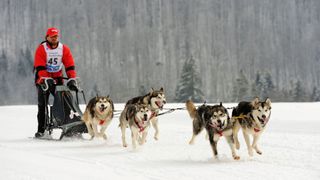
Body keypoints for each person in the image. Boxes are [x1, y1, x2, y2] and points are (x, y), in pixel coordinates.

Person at [33, 27, 79, 138]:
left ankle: (69, 127)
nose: (54, 38)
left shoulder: (63, 49)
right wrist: (45, 77)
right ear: (47, 37)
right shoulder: (41, 49)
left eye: (56, 36)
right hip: (43, 80)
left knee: (65, 101)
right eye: (52, 36)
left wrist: (72, 78)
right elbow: (39, 66)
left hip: (57, 78)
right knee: (42, 105)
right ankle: (41, 130)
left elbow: (69, 65)